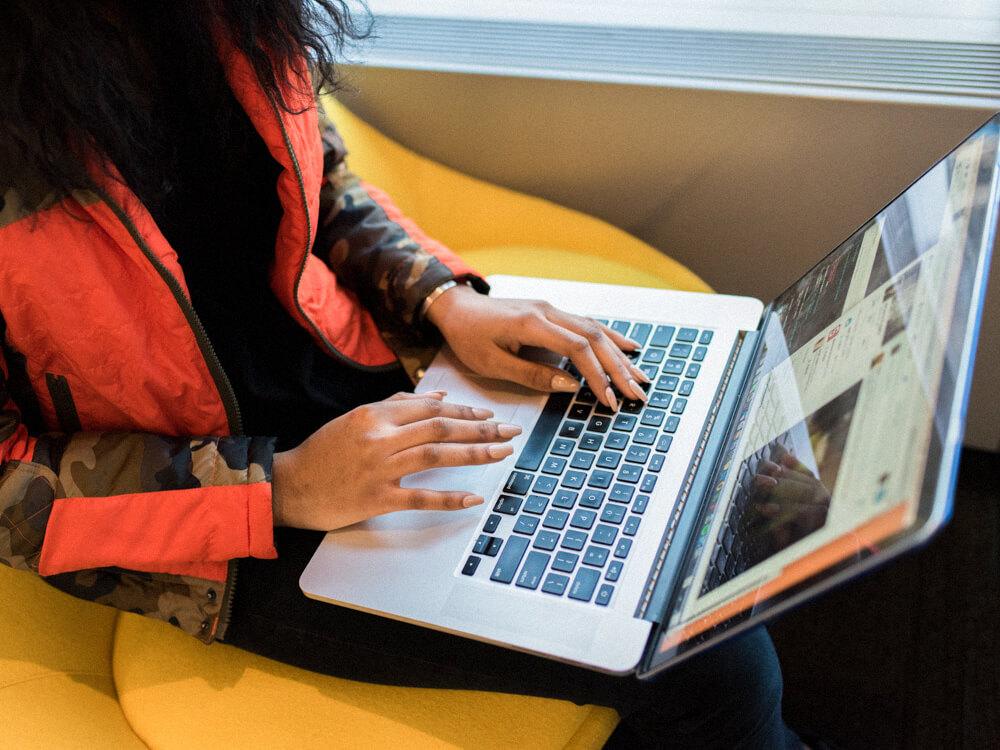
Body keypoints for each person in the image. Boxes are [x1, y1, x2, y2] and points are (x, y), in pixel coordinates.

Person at [0, 2, 803, 746]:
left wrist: (447, 302)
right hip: (206, 521)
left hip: (356, 376)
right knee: (706, 660)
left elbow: (320, 184)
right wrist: (281, 486)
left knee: (687, 462)